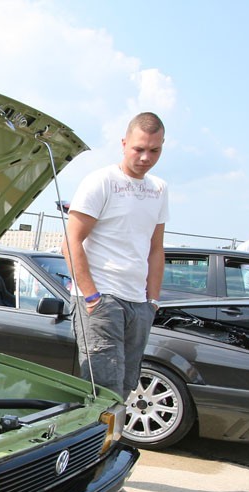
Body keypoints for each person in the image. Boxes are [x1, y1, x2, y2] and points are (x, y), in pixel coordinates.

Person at [61, 112, 169, 399]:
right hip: (103, 299)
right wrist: (92, 298)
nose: (145, 157)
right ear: (124, 144)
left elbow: (156, 248)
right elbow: (70, 242)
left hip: (139, 303)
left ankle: (113, 433)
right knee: (103, 391)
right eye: (138, 148)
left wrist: (152, 301)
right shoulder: (102, 181)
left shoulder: (159, 189)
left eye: (154, 150)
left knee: (125, 387)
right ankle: (97, 432)